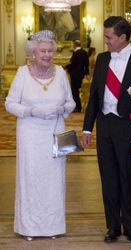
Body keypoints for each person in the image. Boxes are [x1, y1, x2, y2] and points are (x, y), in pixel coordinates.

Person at [82, 16, 131, 243]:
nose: (105, 41)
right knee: (109, 179)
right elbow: (94, 96)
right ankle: (112, 227)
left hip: (127, 129)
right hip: (105, 127)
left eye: (109, 37)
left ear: (122, 38)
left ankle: (130, 227)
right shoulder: (102, 60)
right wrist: (87, 128)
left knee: (128, 180)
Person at [5, 30, 76, 241]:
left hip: (55, 133)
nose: (47, 55)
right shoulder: (22, 73)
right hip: (30, 134)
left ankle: (52, 226)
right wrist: (31, 111)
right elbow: (10, 103)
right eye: (42, 51)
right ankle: (30, 228)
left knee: (54, 179)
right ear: (33, 53)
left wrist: (63, 109)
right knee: (31, 178)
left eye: (50, 51)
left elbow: (71, 102)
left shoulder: (61, 73)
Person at [66, 39, 89, 112]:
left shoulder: (75, 53)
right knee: (78, 90)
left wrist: (66, 68)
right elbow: (86, 64)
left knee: (74, 91)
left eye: (73, 44)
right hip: (81, 74)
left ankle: (77, 107)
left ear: (75, 45)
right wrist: (87, 73)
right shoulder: (85, 52)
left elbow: (73, 64)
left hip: (75, 74)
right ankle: (78, 107)